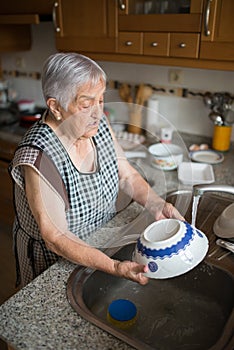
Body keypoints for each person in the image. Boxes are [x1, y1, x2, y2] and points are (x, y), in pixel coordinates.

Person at [9, 52, 184, 288]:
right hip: (55, 262)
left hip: (102, 241)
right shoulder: (39, 156)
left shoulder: (98, 125)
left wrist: (156, 204)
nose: (98, 112)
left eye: (101, 100)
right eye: (86, 104)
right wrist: (112, 266)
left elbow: (127, 173)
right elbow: (56, 237)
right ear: (55, 106)